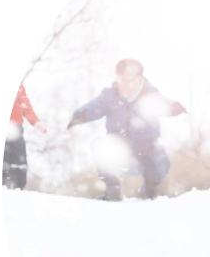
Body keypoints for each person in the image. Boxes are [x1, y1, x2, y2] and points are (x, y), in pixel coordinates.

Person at [66, 59, 186, 201]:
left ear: (139, 79)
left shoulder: (149, 95)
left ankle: (149, 189)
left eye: (130, 81)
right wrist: (80, 115)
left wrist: (174, 107)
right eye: (121, 80)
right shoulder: (110, 96)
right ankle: (112, 190)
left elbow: (163, 103)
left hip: (146, 149)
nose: (125, 85)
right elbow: (94, 107)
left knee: (158, 154)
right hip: (120, 149)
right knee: (99, 144)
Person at [4, 83, 47, 189]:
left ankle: (19, 186)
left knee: (19, 158)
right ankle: (3, 184)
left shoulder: (18, 85)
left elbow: (25, 106)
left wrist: (36, 122)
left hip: (16, 128)